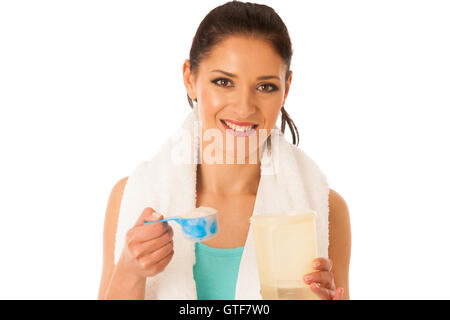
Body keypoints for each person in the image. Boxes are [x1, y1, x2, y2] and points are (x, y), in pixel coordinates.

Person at [98, 0, 351, 300]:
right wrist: (130, 269)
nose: (244, 107)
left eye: (265, 86)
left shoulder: (324, 208)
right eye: (223, 82)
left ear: (287, 87)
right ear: (190, 79)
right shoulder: (131, 197)